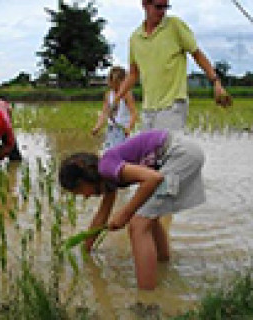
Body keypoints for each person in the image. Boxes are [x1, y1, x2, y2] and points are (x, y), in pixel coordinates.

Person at [59, 130, 205, 290]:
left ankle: (146, 299)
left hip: (178, 155)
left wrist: (126, 213)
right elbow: (101, 216)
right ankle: (163, 263)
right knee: (149, 217)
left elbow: (153, 178)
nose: (85, 196)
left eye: (80, 191)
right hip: (182, 153)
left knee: (138, 224)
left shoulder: (107, 166)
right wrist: (85, 250)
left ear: (84, 177)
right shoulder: (108, 179)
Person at [111, 0, 232, 130]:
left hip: (173, 105)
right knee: (149, 150)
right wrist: (117, 99)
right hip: (149, 108)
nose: (163, 11)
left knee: (167, 147)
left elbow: (197, 54)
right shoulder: (135, 38)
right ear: (145, 5)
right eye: (158, 7)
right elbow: (134, 73)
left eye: (166, 7)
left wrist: (216, 82)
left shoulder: (175, 26)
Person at [92, 66, 137, 149]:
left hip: (123, 129)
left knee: (120, 153)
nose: (112, 84)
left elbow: (134, 113)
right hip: (111, 129)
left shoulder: (127, 94)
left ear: (122, 81)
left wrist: (129, 128)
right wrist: (97, 127)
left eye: (116, 82)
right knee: (109, 151)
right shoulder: (109, 94)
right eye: (111, 81)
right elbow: (104, 112)